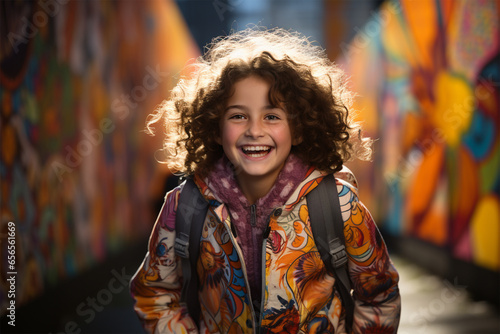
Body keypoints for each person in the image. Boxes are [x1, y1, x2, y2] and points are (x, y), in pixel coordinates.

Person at [130, 27, 401, 333]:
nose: (254, 130)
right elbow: (154, 293)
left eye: (272, 116)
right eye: (237, 116)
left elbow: (379, 293)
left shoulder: (338, 205)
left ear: (298, 129)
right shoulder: (185, 206)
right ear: (215, 129)